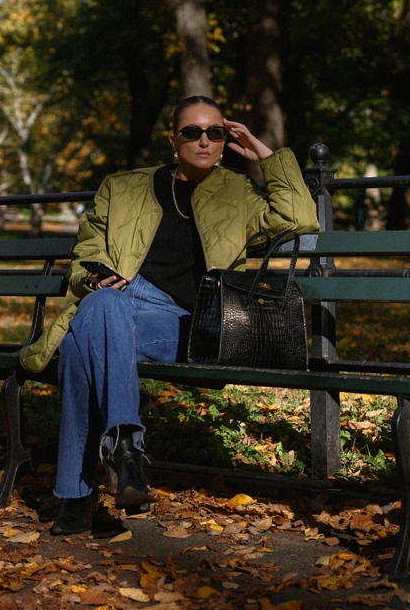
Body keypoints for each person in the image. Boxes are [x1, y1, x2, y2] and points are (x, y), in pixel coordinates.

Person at [17, 95, 320, 535]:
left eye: (215, 132)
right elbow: (86, 253)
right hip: (121, 299)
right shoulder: (123, 187)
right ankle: (126, 453)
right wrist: (95, 278)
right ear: (173, 140)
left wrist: (264, 155)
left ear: (226, 141)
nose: (204, 141)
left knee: (82, 344)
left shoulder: (237, 191)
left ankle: (80, 493)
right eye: (192, 132)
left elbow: (300, 218)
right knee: (102, 306)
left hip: (190, 322)